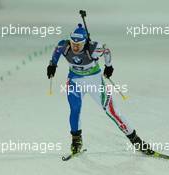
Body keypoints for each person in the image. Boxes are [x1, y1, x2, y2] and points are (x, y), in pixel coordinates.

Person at [47, 23, 154, 155]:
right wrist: (53, 65)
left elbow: (107, 51)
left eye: (79, 44)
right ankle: (76, 140)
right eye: (73, 43)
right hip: (75, 81)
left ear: (84, 42)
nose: (75, 47)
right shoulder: (64, 45)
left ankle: (136, 140)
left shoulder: (93, 48)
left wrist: (109, 66)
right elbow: (57, 51)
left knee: (112, 111)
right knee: (75, 110)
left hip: (94, 82)